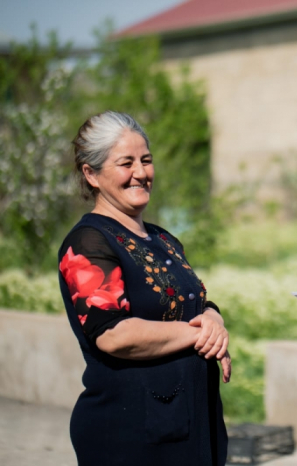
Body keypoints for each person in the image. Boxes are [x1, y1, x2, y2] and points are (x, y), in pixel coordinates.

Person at [58, 111, 230, 465]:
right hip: (132, 432)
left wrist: (213, 319)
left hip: (191, 425)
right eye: (126, 163)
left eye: (146, 160)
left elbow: (193, 303)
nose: (140, 172)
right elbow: (112, 334)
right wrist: (197, 335)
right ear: (91, 174)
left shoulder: (162, 239)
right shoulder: (89, 243)